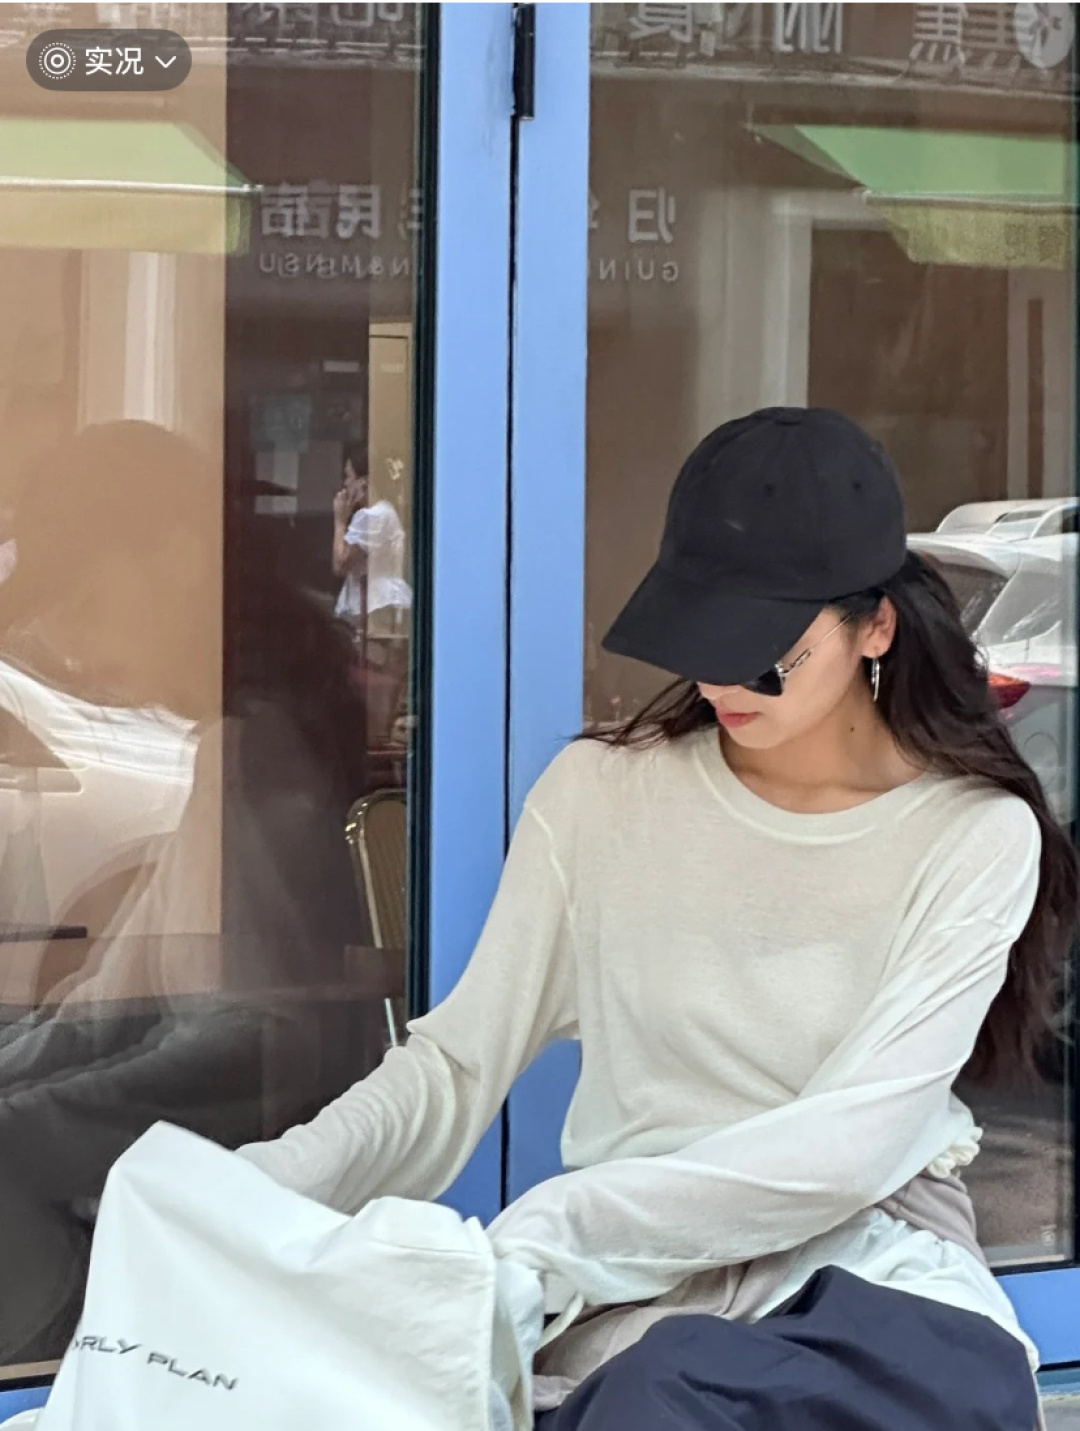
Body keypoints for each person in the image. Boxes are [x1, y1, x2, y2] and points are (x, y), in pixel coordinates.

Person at [241, 408, 1074, 1430]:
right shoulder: (601, 795)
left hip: (872, 1276)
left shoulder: (972, 834)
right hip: (643, 1296)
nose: (721, 681)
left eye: (763, 651)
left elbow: (850, 1150)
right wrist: (262, 1187)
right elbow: (455, 1066)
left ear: (877, 628)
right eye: (701, 640)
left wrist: (550, 1234)